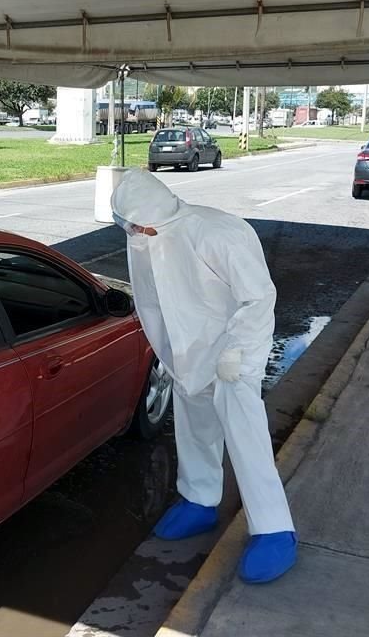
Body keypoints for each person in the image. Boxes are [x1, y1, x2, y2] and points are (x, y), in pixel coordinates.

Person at [111, 169, 297, 584]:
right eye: (128, 225)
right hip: (186, 352)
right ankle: (199, 499)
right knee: (194, 430)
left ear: (157, 211)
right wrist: (170, 350)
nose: (133, 231)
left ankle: (274, 529)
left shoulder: (216, 233)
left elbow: (259, 296)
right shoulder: (144, 237)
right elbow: (157, 301)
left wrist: (236, 352)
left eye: (138, 224)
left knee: (245, 437)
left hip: (233, 352)